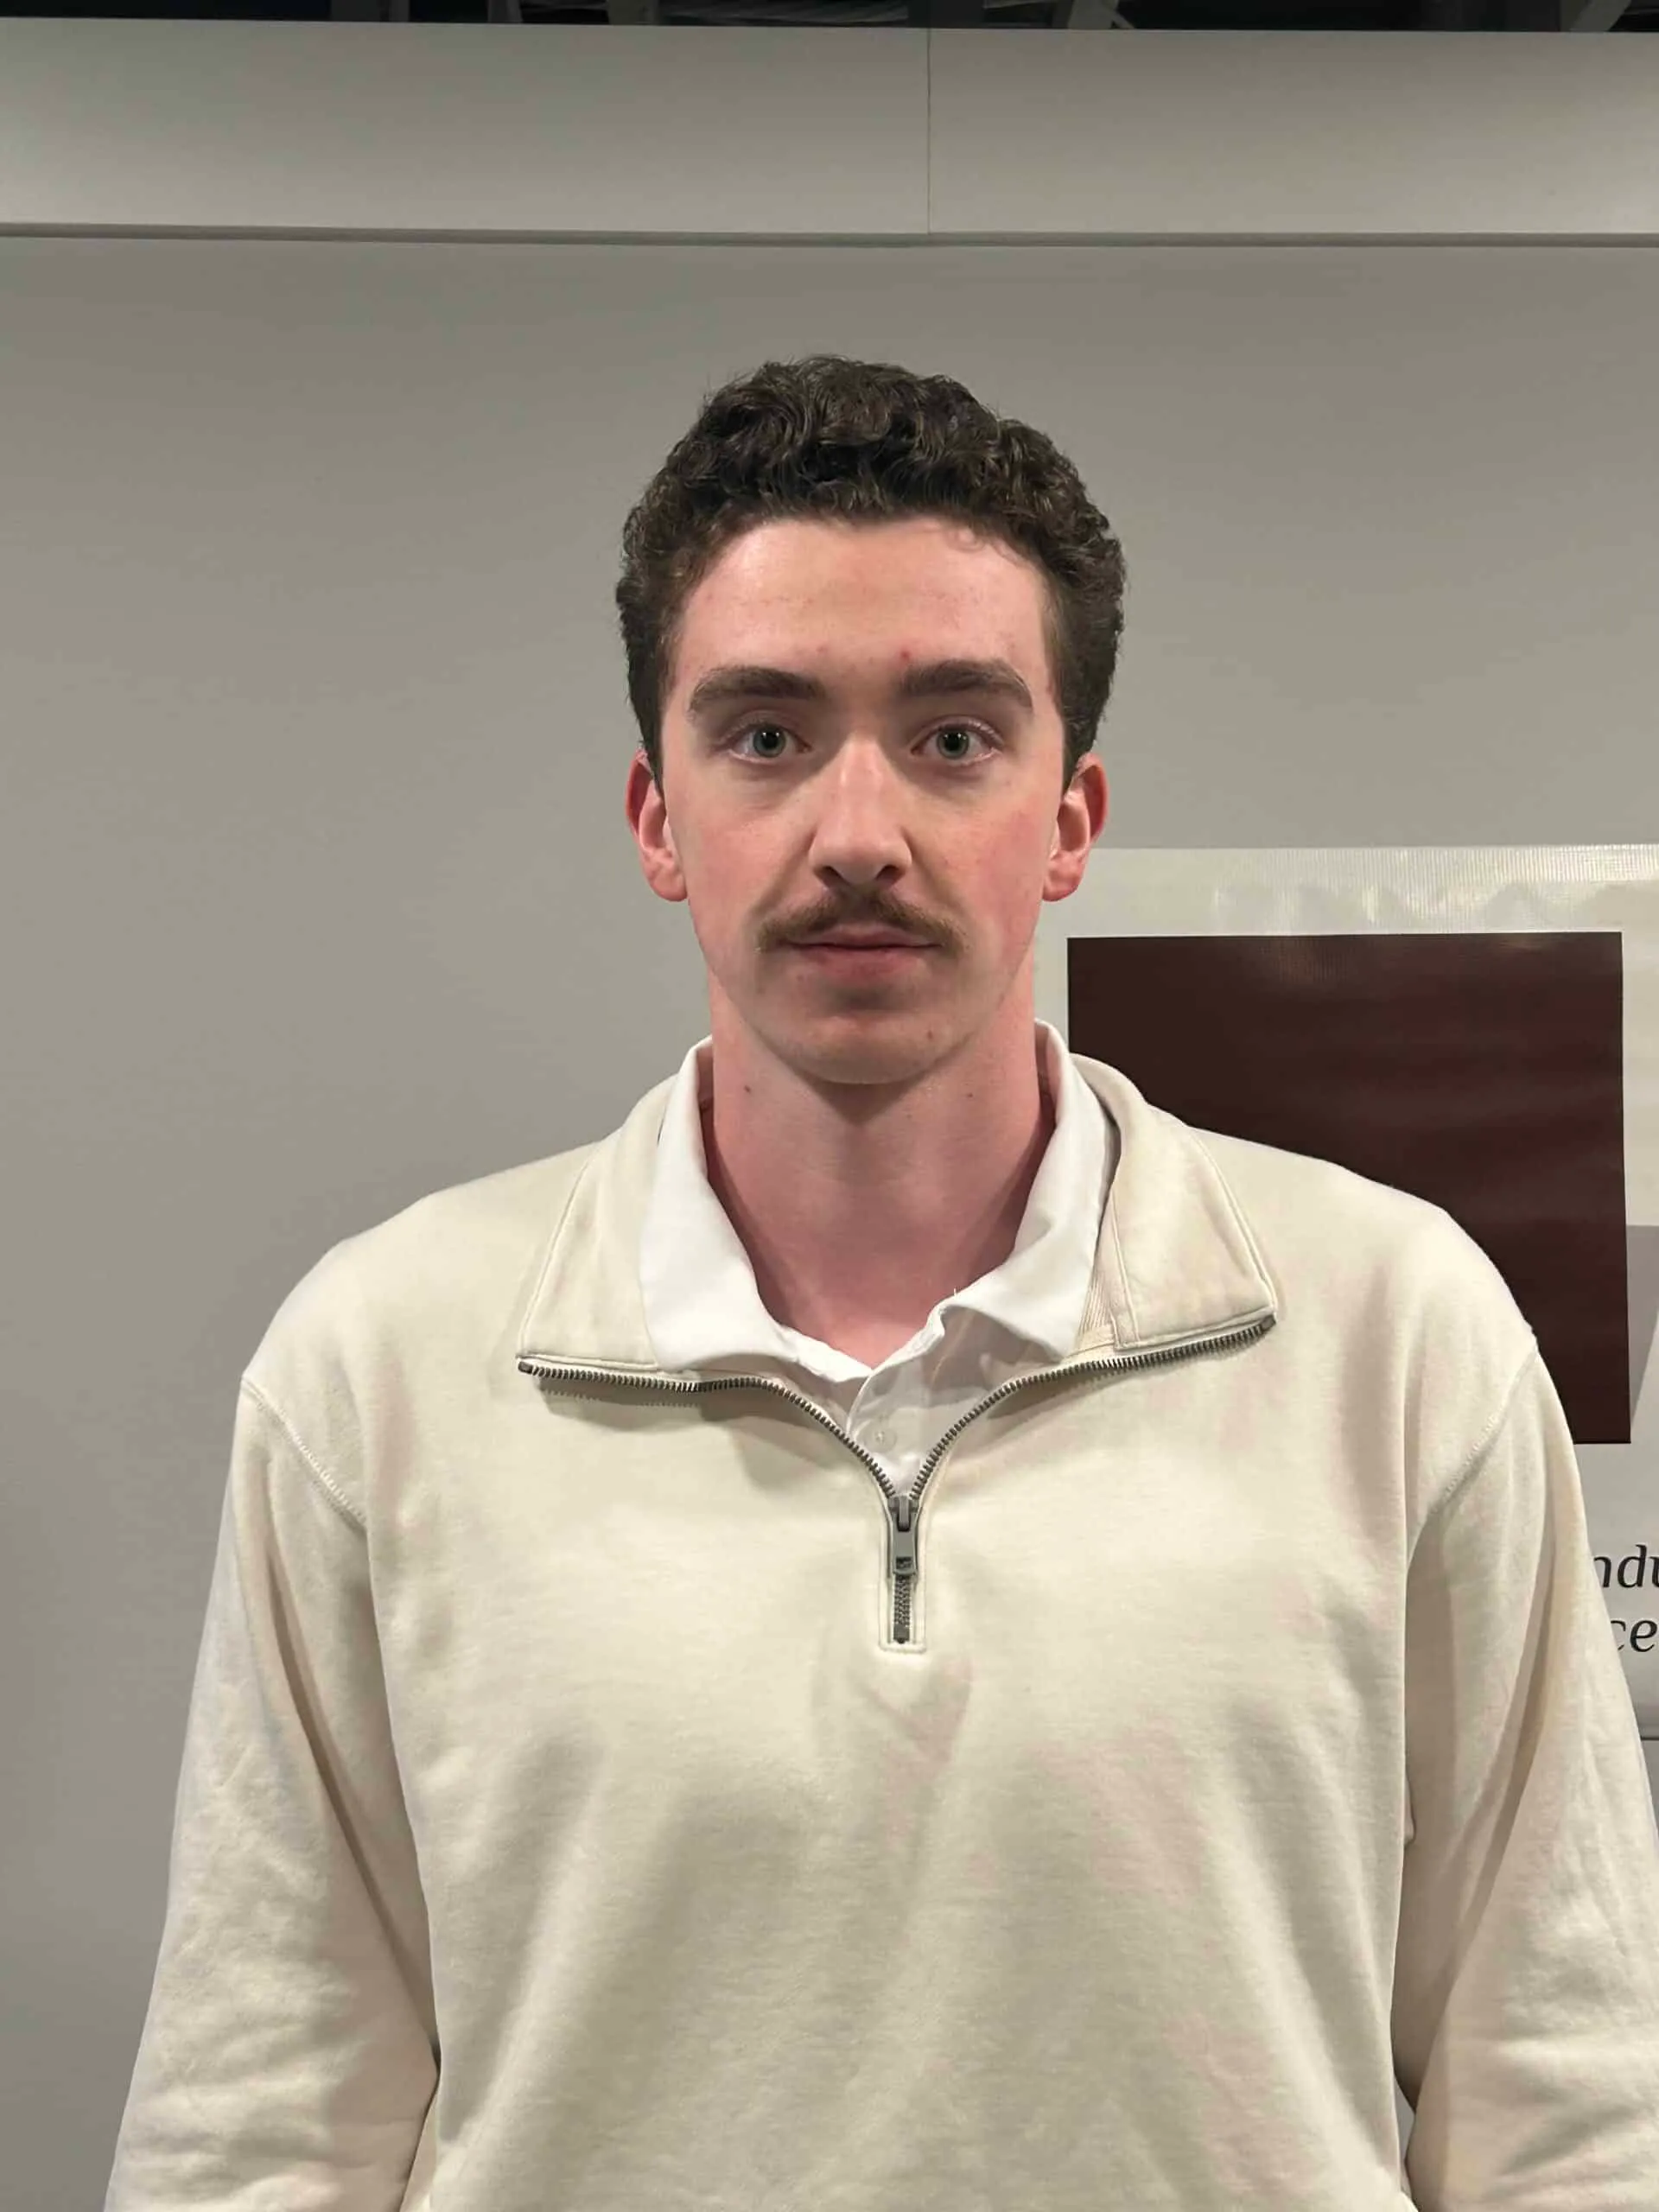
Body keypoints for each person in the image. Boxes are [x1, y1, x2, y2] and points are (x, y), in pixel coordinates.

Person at [106, 355, 1659, 2211]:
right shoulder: (380, 1365)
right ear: (656, 813)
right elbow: (261, 2117)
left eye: (952, 736)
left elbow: (1568, 2100)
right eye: (767, 733)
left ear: (1070, 816)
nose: (860, 829)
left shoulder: (1396, 1333)